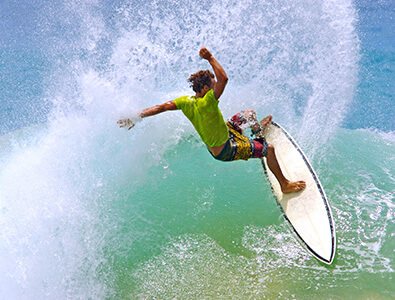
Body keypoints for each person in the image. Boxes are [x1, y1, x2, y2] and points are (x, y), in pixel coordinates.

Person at [118, 47, 306, 194]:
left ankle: (258, 134)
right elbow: (224, 78)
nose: (216, 85)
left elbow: (160, 107)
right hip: (225, 149)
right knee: (270, 150)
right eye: (213, 84)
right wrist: (209, 58)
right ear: (207, 87)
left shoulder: (186, 102)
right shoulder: (209, 101)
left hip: (225, 133)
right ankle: (285, 185)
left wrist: (136, 116)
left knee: (249, 114)